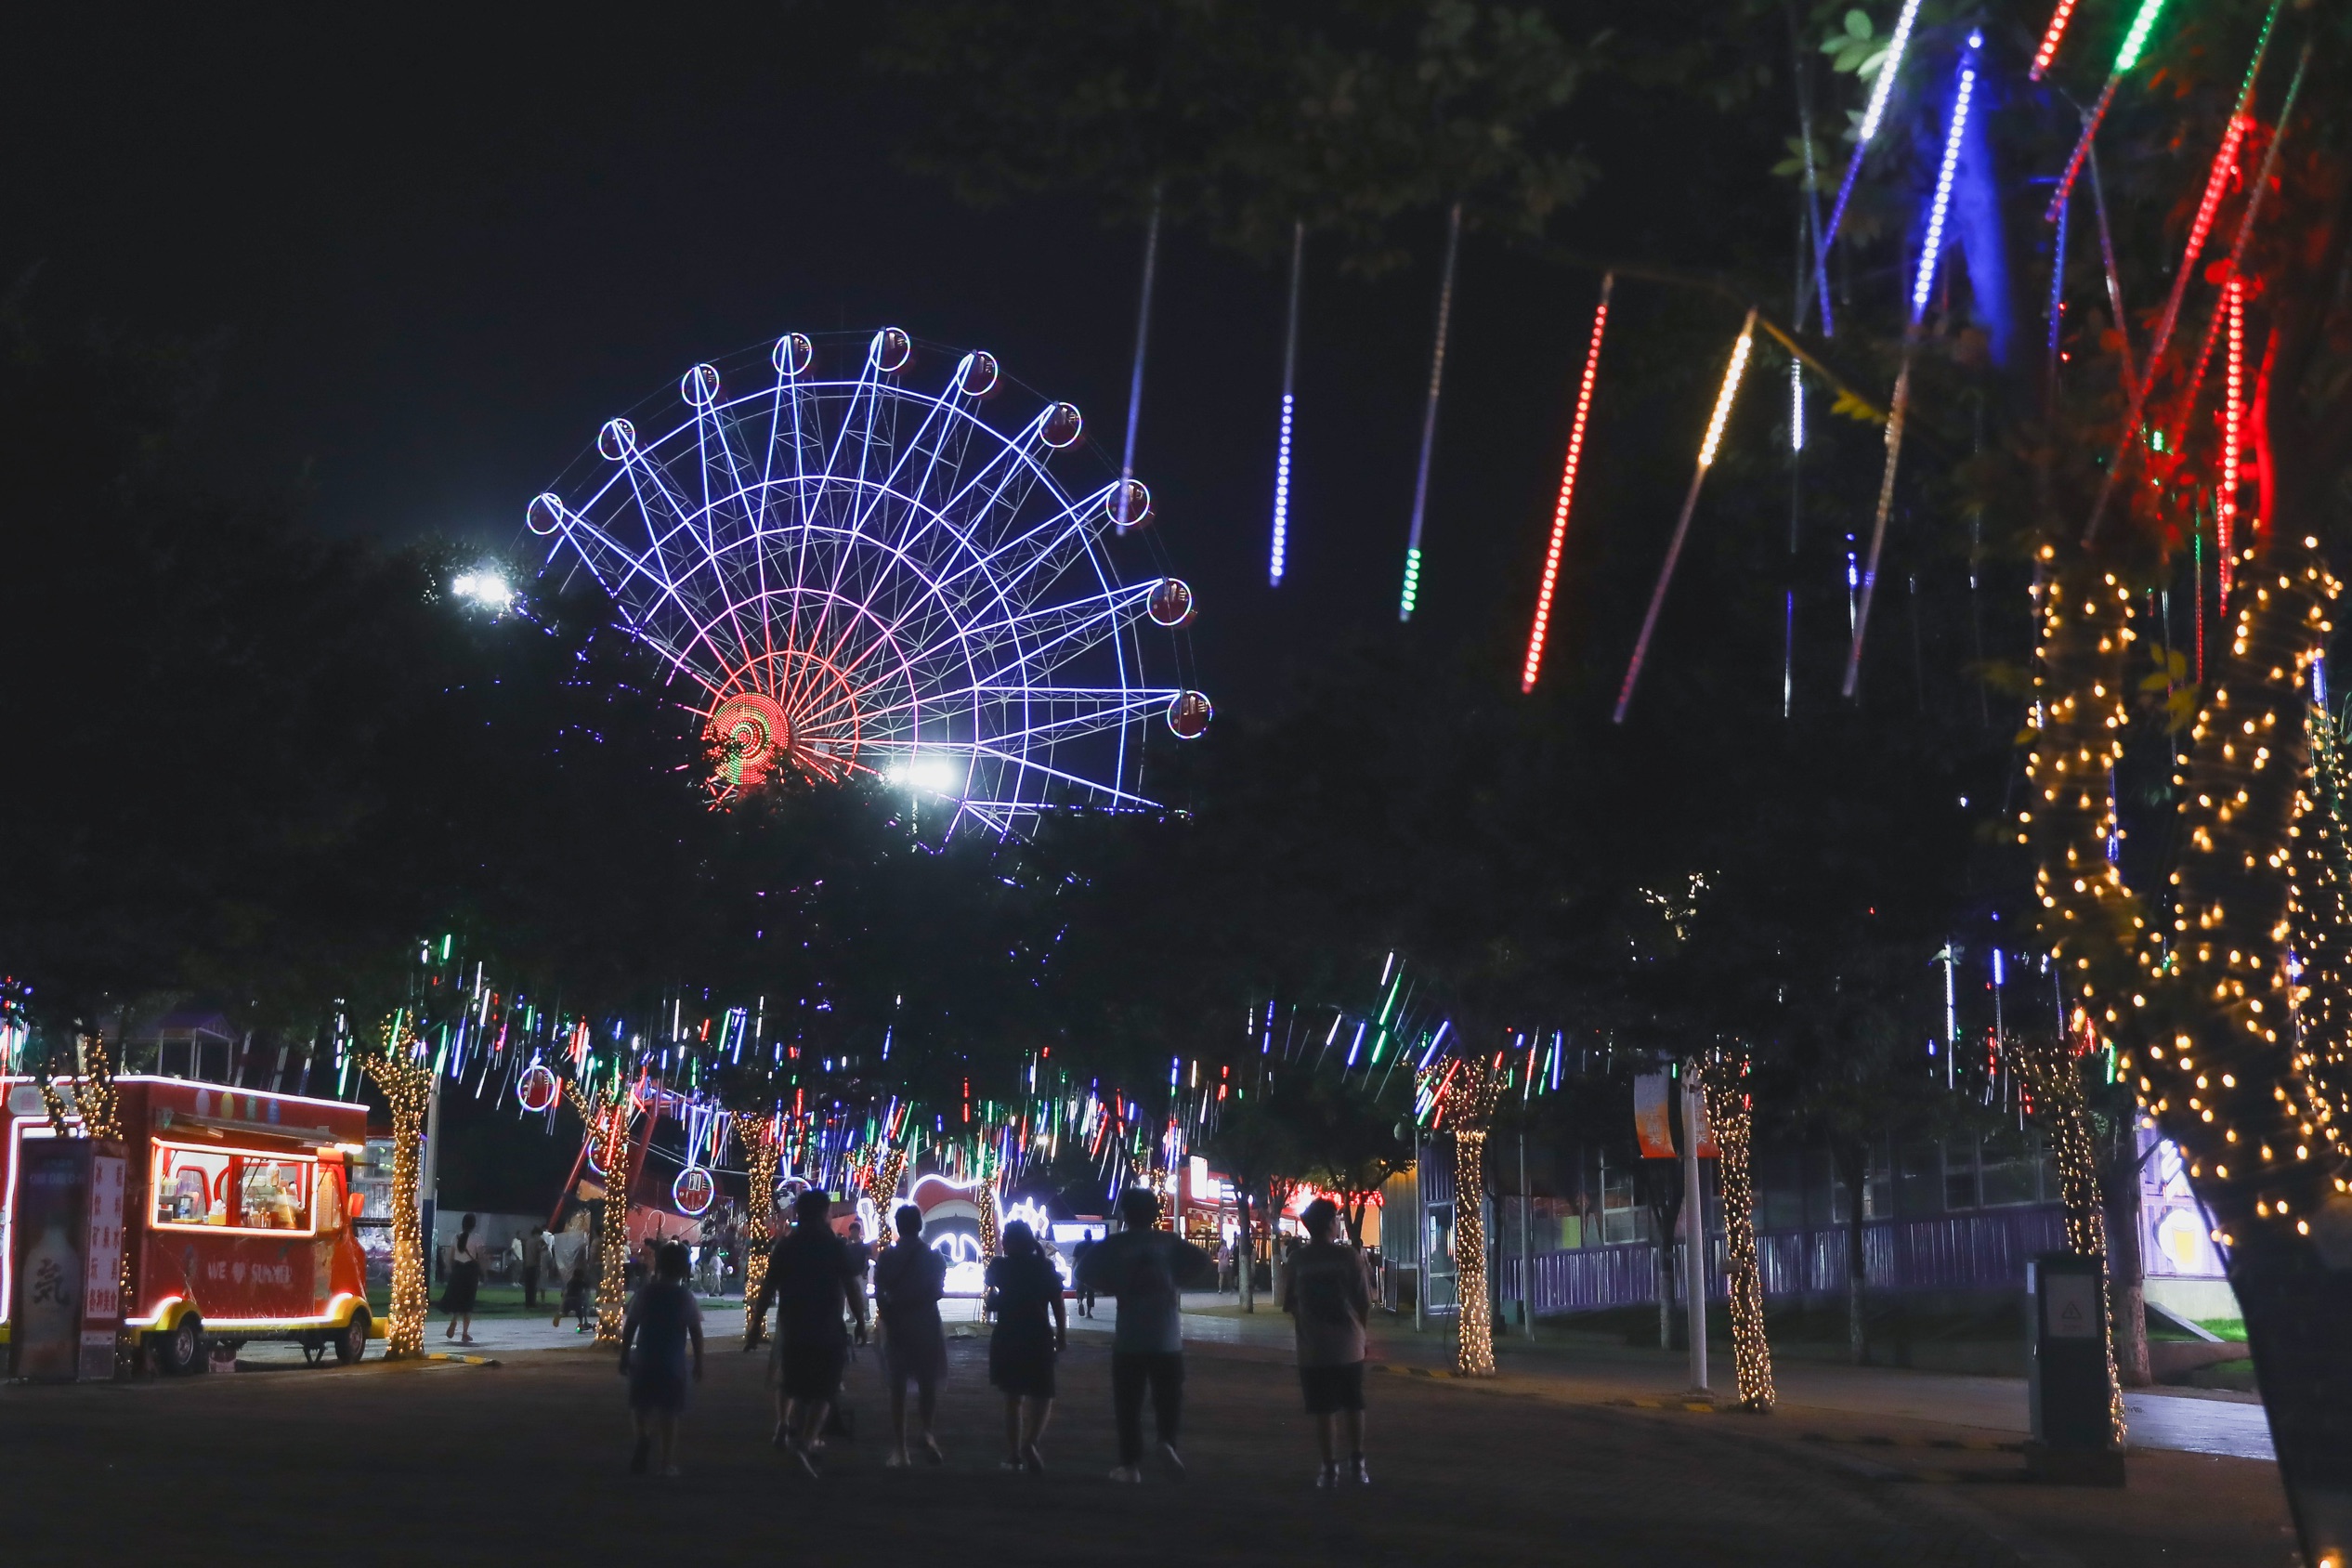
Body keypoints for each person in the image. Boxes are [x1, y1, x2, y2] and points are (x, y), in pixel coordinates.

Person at [1075, 1188, 1214, 1483]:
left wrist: (1113, 1285)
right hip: (1166, 1336)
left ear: (1125, 1214)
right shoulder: (1167, 1242)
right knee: (1168, 1395)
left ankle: (1130, 1465)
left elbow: (1083, 1271)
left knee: (1128, 1402)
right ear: (1155, 1214)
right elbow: (1203, 1259)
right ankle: (1166, 1441)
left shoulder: (1115, 1244)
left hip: (1130, 1337)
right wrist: (1176, 1281)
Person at [753, 1190, 869, 1476]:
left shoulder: (786, 1247)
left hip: (794, 1325)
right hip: (827, 1326)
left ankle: (791, 1430)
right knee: (824, 1389)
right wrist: (861, 1322)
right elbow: (852, 1287)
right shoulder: (835, 1246)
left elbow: (768, 1288)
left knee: (794, 1383)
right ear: (823, 1213)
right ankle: (805, 1442)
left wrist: (756, 1325)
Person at [1280, 1197, 1372, 1487]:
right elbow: (1364, 1302)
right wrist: (1361, 1334)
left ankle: (1329, 1469)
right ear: (1332, 1223)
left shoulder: (1297, 1261)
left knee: (1323, 1410)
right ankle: (1358, 1464)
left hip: (1313, 1348)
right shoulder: (1349, 1258)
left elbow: (1290, 1302)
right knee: (1353, 1404)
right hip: (1349, 1345)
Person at [986, 1219, 1066, 1475]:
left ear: (1008, 1242)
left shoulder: (1000, 1267)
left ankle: (1014, 1455)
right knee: (1043, 1394)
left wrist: (994, 1300)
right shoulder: (1044, 1267)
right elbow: (1057, 1304)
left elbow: (994, 1300)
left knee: (1013, 1398)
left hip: (1009, 1336)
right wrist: (1062, 1335)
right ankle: (1031, 1442)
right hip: (1038, 1336)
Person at [871, 1203, 948, 1468]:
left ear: (898, 1226)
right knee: (928, 1383)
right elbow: (938, 1292)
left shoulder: (886, 1258)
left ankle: (901, 1449)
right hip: (926, 1323)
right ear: (920, 1226)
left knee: (898, 1388)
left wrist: (892, 1313)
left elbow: (880, 1295)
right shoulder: (935, 1257)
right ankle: (927, 1431)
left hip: (897, 1326)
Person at [620, 1240, 705, 1476]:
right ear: (685, 1269)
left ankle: (643, 1438)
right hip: (672, 1364)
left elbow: (630, 1327)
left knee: (640, 1407)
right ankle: (667, 1462)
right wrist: (699, 1362)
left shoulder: (645, 1293)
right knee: (670, 1414)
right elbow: (696, 1332)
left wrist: (625, 1355)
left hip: (644, 1359)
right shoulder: (685, 1297)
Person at [439, 1212, 481, 1345]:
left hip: (458, 1271)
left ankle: (454, 1319)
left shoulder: (455, 1237)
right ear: (474, 1225)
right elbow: (480, 1257)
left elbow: (450, 1257)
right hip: (471, 1272)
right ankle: (464, 1333)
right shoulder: (477, 1238)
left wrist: (452, 1270)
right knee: (468, 1302)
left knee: (457, 1298)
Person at [557, 1246, 595, 1333]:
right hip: (577, 1300)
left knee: (566, 1311)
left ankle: (562, 1314)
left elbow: (566, 1290)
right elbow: (587, 1286)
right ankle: (582, 1323)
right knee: (581, 1312)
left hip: (568, 1299)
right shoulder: (581, 1281)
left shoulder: (571, 1281)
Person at [514, 1225, 548, 1312]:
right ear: (537, 1234)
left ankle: (527, 1302)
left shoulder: (528, 1241)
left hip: (527, 1265)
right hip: (534, 1265)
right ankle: (532, 1303)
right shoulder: (538, 1241)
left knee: (528, 1286)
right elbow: (543, 1249)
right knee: (533, 1285)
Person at [1071, 1229, 1100, 1318]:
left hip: (1080, 1270)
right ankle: (1088, 1313)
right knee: (1090, 1292)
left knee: (1080, 1290)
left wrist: (1073, 1270)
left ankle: (1080, 1302)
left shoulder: (1078, 1245)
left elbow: (1074, 1260)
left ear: (1084, 1235)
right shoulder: (1095, 1245)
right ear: (1091, 1235)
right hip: (1091, 1271)